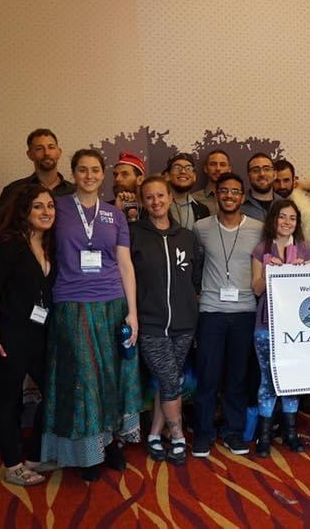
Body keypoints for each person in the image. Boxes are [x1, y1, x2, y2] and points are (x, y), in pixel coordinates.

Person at [39, 149, 141, 481]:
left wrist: (133, 314)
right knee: (84, 379)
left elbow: (125, 265)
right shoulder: (58, 206)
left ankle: (110, 442)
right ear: (74, 173)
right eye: (82, 170)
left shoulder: (115, 214)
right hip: (72, 303)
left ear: (103, 174)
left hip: (112, 303)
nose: (89, 176)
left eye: (95, 170)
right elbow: (34, 237)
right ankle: (88, 455)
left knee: (112, 377)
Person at [0, 183, 56, 486]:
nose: (45, 211)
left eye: (49, 206)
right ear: (24, 210)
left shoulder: (50, 244)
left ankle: (35, 456)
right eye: (38, 206)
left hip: (39, 335)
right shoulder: (6, 244)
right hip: (7, 336)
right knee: (8, 400)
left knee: (55, 393)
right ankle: (12, 465)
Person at [131, 176, 202, 465]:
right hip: (150, 324)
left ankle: (153, 434)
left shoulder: (186, 236)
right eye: (149, 197)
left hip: (184, 324)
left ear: (170, 198)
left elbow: (195, 279)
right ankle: (178, 435)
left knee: (165, 381)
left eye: (161, 195)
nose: (156, 202)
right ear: (143, 201)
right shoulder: (133, 234)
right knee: (171, 380)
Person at [192, 172, 263, 458]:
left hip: (245, 312)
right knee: (207, 378)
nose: (230, 196)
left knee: (237, 377)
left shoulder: (258, 228)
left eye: (235, 191)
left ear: (242, 197)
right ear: (216, 195)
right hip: (210, 312)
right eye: (224, 191)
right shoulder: (201, 227)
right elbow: (195, 265)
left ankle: (234, 432)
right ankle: (203, 433)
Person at [250, 200, 310, 457]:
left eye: (292, 218)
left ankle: (290, 433)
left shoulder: (305, 251)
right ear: (273, 220)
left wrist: (300, 272)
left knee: (293, 380)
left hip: (296, 328)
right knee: (268, 380)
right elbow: (255, 288)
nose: (287, 222)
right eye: (282, 217)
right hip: (266, 324)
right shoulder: (261, 249)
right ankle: (264, 437)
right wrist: (268, 271)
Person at [0, 128, 75, 231]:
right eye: (39, 148)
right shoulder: (14, 190)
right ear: (30, 155)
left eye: (51, 147)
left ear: (59, 152)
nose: (46, 153)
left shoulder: (74, 192)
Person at [164, 152, 209, 229]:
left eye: (188, 168)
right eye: (177, 167)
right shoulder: (157, 205)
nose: (183, 171)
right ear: (167, 176)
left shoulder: (203, 210)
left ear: (194, 177)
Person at [240, 152, 282, 222]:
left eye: (267, 169)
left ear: (275, 174)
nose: (262, 174)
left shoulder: (286, 204)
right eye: (255, 170)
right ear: (248, 176)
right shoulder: (238, 206)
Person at [191, 149, 232, 215]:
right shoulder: (194, 199)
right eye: (213, 164)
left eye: (222, 164)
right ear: (205, 168)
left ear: (229, 169)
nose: (218, 168)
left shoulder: (238, 199)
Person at [112, 151, 146, 222]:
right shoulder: (105, 208)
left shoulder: (152, 208)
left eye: (125, 174)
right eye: (115, 175)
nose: (117, 179)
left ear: (140, 180)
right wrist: (116, 211)